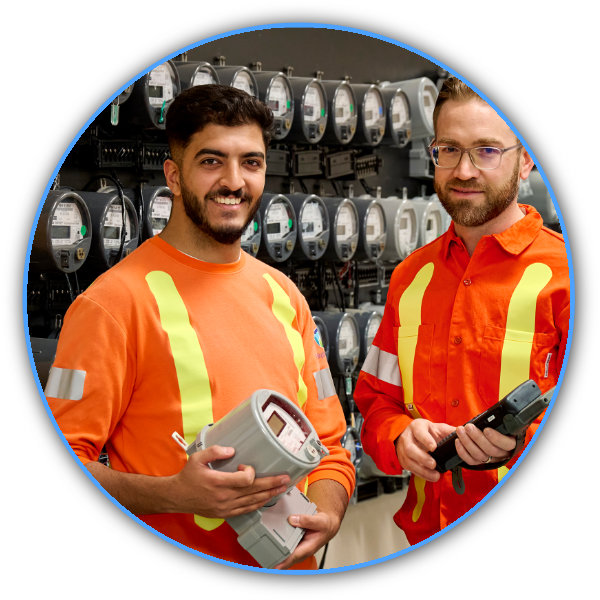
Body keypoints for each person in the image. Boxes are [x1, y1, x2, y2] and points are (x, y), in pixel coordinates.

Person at [45, 84, 355, 569]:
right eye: (212, 161)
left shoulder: (284, 296)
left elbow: (332, 447)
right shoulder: (110, 304)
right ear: (173, 173)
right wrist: (174, 494)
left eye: (250, 162)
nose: (234, 181)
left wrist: (329, 514)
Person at [353, 77, 569, 545]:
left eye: (487, 150)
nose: (464, 170)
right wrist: (399, 437)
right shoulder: (411, 278)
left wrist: (520, 443)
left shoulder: (568, 277)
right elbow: (375, 402)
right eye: (449, 149)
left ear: (527, 158)